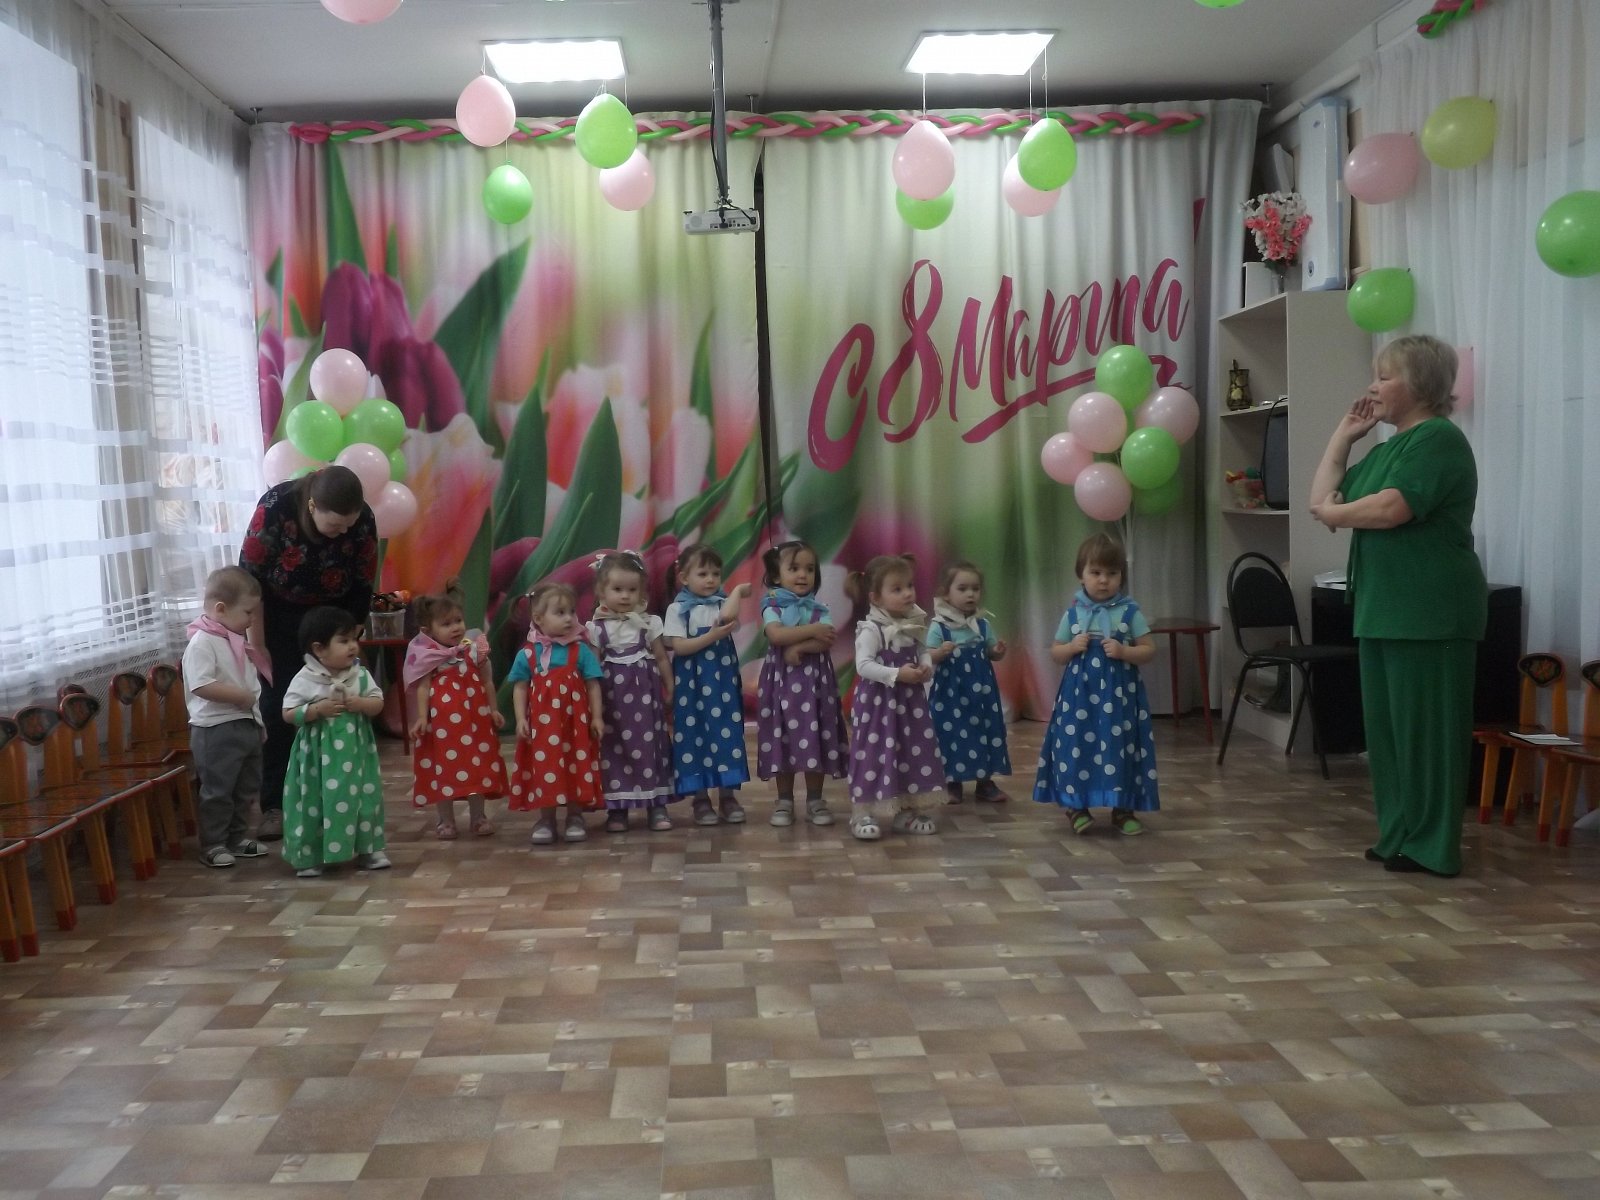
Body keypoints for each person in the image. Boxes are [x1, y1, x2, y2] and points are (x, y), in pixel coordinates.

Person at [1310, 335, 1486, 878]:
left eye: (1384, 377)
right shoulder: (1388, 449)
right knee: (1388, 737)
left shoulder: (1439, 439)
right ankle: (1399, 835)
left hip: (1430, 612)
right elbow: (1322, 499)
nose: (1372, 387)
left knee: (1428, 736)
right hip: (1385, 608)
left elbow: (1391, 509)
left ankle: (1433, 846)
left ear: (1420, 384)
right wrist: (1342, 437)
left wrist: (1336, 514)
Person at [241, 465, 377, 841]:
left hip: (334, 617)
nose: (343, 532)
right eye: (335, 525)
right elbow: (250, 582)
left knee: (337, 706)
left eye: (349, 525)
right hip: (278, 617)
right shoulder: (275, 507)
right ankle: (274, 806)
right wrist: (258, 644)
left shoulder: (363, 518)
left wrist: (350, 638)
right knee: (279, 707)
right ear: (313, 505)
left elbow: (364, 580)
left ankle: (333, 800)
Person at [1033, 534, 1160, 834]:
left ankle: (1123, 808)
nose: (1104, 580)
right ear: (1081, 575)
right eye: (1096, 572)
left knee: (1121, 747)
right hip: (1079, 700)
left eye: (1112, 573)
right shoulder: (1074, 614)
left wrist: (1125, 652)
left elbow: (1149, 650)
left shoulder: (1129, 612)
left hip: (1120, 700)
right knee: (1076, 747)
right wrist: (1071, 647)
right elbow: (1056, 653)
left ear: (1121, 576)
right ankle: (1076, 806)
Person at [279, 606, 389, 878]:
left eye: (354, 639)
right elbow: (288, 713)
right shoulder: (305, 678)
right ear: (319, 649)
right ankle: (310, 855)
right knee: (314, 802)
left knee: (364, 798)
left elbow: (377, 703)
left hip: (356, 754)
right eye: (343, 640)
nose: (353, 646)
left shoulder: (360, 675)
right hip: (316, 759)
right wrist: (316, 710)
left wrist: (361, 703)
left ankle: (369, 849)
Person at [845, 555, 946, 840]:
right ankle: (863, 813)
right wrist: (897, 674)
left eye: (909, 586)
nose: (907, 593)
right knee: (873, 754)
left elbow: (923, 650)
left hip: (909, 705)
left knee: (912, 752)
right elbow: (863, 666)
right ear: (876, 597)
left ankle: (907, 811)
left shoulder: (913, 622)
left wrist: (925, 665)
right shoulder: (872, 629)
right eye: (897, 589)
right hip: (878, 707)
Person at [404, 579, 507, 840]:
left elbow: (487, 681)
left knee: (477, 767)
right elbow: (423, 688)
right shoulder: (429, 658)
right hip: (443, 728)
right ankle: (445, 820)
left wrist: (494, 709)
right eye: (446, 623)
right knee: (444, 770)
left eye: (458, 620)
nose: (455, 627)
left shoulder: (473, 651)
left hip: (475, 723)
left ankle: (478, 816)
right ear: (428, 630)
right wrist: (421, 718)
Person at [183, 566, 271, 869]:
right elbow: (200, 684)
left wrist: (254, 714)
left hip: (245, 723)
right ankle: (213, 843)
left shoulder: (233, 638)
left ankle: (236, 838)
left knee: (245, 787)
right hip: (215, 729)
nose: (252, 620)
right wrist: (239, 696)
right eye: (247, 612)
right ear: (220, 609)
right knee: (218, 790)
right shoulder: (202, 642)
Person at [756, 539, 846, 827]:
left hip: (816, 685)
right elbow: (776, 635)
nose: (802, 575)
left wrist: (801, 646)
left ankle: (815, 800)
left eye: (809, 569)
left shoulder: (819, 608)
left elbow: (827, 639)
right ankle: (784, 800)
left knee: (815, 736)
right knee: (782, 737)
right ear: (776, 575)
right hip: (780, 684)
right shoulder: (771, 605)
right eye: (793, 568)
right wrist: (812, 632)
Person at [508, 582, 604, 845]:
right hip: (543, 727)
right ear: (538, 618)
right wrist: (520, 718)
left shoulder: (580, 650)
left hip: (575, 726)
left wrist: (596, 717)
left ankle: (575, 816)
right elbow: (520, 688)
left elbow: (593, 684)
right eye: (560, 613)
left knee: (575, 764)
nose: (569, 618)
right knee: (545, 766)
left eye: (571, 611)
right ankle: (546, 818)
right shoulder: (528, 654)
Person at [587, 552, 677, 832]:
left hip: (645, 698)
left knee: (651, 746)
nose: (625, 596)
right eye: (617, 589)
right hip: (612, 701)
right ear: (601, 591)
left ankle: (656, 805)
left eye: (632, 589)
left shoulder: (649, 623)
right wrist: (592, 703)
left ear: (641, 591)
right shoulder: (596, 628)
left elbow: (661, 658)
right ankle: (618, 808)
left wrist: (670, 686)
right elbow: (592, 668)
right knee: (615, 749)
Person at [662, 544, 751, 826]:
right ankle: (700, 799)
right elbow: (680, 647)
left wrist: (736, 592)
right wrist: (712, 636)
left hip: (722, 684)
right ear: (684, 578)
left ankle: (728, 796)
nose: (711, 579)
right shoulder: (677, 609)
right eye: (703, 573)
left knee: (726, 735)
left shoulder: (721, 604)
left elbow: (727, 618)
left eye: (716, 573)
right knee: (694, 736)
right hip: (692, 687)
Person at [927, 560, 1011, 803]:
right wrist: (940, 652)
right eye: (962, 589)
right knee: (951, 733)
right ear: (946, 593)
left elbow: (991, 653)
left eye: (975, 589)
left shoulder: (982, 624)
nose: (970, 594)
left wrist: (998, 651)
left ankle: (985, 782)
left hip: (982, 694)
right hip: (950, 695)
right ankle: (952, 782)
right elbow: (927, 656)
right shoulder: (939, 626)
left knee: (984, 731)